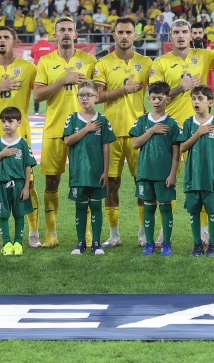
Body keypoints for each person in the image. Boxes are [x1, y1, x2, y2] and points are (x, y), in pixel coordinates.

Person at [32, 16, 97, 248]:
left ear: (76, 34)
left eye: (70, 29)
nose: (66, 33)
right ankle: (51, 233)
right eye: (62, 30)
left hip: (85, 130)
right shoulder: (45, 62)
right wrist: (63, 80)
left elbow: (99, 91)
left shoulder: (89, 60)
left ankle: (87, 233)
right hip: (54, 129)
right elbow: (37, 96)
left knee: (86, 182)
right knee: (52, 181)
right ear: (55, 34)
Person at [150, 19, 214, 242]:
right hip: (170, 128)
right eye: (175, 32)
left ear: (191, 35)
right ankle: (163, 231)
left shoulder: (205, 55)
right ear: (170, 37)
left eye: (184, 32)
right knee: (166, 181)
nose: (180, 36)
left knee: (201, 178)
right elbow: (156, 98)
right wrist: (181, 88)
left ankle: (205, 231)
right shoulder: (160, 62)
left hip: (198, 128)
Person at [93, 17, 152, 248]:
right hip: (111, 133)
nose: (125, 36)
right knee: (110, 183)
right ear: (114, 35)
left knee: (143, 183)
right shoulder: (103, 63)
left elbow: (157, 94)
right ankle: (114, 235)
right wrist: (124, 90)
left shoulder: (147, 63)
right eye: (121, 32)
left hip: (139, 134)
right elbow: (97, 97)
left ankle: (143, 233)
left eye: (129, 32)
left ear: (135, 35)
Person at [62, 80, 116, 256]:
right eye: (81, 95)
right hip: (78, 173)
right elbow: (68, 141)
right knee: (80, 207)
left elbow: (106, 147)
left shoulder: (102, 120)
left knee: (96, 206)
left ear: (96, 97)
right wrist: (87, 129)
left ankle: (96, 243)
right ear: (77, 97)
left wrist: (106, 172)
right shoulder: (72, 118)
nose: (84, 98)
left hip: (96, 172)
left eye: (88, 95)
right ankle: (80, 243)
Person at [129, 81, 181, 256]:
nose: (157, 101)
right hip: (145, 173)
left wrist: (173, 173)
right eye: (153, 98)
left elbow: (176, 152)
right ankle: (149, 243)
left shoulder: (172, 123)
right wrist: (151, 130)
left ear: (167, 99)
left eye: (160, 98)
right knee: (148, 207)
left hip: (164, 174)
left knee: (165, 208)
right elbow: (135, 144)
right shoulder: (142, 121)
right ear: (149, 99)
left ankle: (166, 243)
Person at [178, 85, 214, 257]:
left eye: (200, 98)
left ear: (210, 102)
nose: (196, 102)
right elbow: (182, 147)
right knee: (193, 210)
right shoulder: (188, 123)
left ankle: (213, 244)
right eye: (193, 98)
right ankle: (197, 244)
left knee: (212, 210)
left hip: (211, 176)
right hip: (192, 177)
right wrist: (198, 133)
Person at [0, 106, 37, 257]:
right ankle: (7, 243)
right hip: (1, 185)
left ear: (19, 123)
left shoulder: (23, 144)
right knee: (3, 214)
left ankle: (18, 243)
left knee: (19, 214)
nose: (6, 124)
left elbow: (28, 165)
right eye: (3, 121)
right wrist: (1, 154)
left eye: (10, 121)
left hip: (20, 185)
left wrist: (27, 187)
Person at [30, 30, 56, 113]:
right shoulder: (52, 46)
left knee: (37, 90)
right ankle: (50, 110)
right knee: (51, 90)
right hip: (49, 71)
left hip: (38, 71)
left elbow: (32, 55)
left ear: (39, 37)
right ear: (47, 37)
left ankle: (36, 111)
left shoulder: (35, 46)